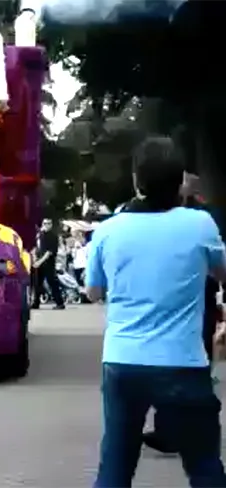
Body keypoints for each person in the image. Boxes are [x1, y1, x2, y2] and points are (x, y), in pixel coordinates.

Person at [86, 136, 226, 487]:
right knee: (205, 466)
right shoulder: (199, 225)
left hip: (122, 360)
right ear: (181, 182)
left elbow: (93, 292)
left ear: (136, 180)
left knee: (115, 464)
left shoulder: (108, 230)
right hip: (183, 362)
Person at [140, 171, 223, 455]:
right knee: (171, 363)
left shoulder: (206, 218)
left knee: (194, 363)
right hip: (172, 299)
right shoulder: (166, 216)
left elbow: (219, 262)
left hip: (201, 299)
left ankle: (189, 427)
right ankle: (169, 428)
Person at [30, 218, 65, 310]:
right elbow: (36, 248)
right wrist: (34, 259)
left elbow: (49, 252)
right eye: (45, 223)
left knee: (52, 282)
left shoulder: (53, 236)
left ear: (51, 225)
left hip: (48, 263)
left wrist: (39, 262)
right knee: (37, 284)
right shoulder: (40, 235)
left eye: (49, 223)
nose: (47, 225)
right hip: (39, 262)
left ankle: (60, 303)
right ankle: (35, 303)